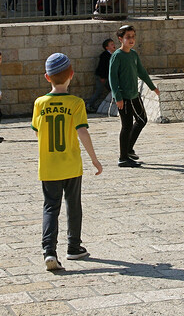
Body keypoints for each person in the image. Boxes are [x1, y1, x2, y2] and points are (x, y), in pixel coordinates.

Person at [31, 53, 103, 271]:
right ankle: (74, 247)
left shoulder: (40, 103)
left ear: (46, 77)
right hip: (71, 164)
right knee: (74, 205)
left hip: (49, 166)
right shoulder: (76, 103)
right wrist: (94, 159)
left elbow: (37, 131)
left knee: (50, 207)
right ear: (71, 75)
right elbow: (82, 132)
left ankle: (49, 251)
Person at [109, 24, 160, 168]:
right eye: (128, 37)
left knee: (142, 120)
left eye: (133, 37)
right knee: (126, 126)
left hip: (134, 95)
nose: (131, 40)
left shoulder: (133, 55)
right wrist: (117, 96)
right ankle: (123, 158)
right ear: (120, 39)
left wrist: (152, 87)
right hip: (124, 97)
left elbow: (141, 72)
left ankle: (128, 148)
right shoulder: (117, 56)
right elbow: (113, 78)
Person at [86, 38, 116, 112]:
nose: (114, 45)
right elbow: (102, 67)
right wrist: (102, 77)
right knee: (99, 91)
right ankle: (89, 105)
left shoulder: (113, 55)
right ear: (107, 47)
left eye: (113, 44)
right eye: (111, 44)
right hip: (101, 77)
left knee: (112, 89)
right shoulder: (105, 55)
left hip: (107, 77)